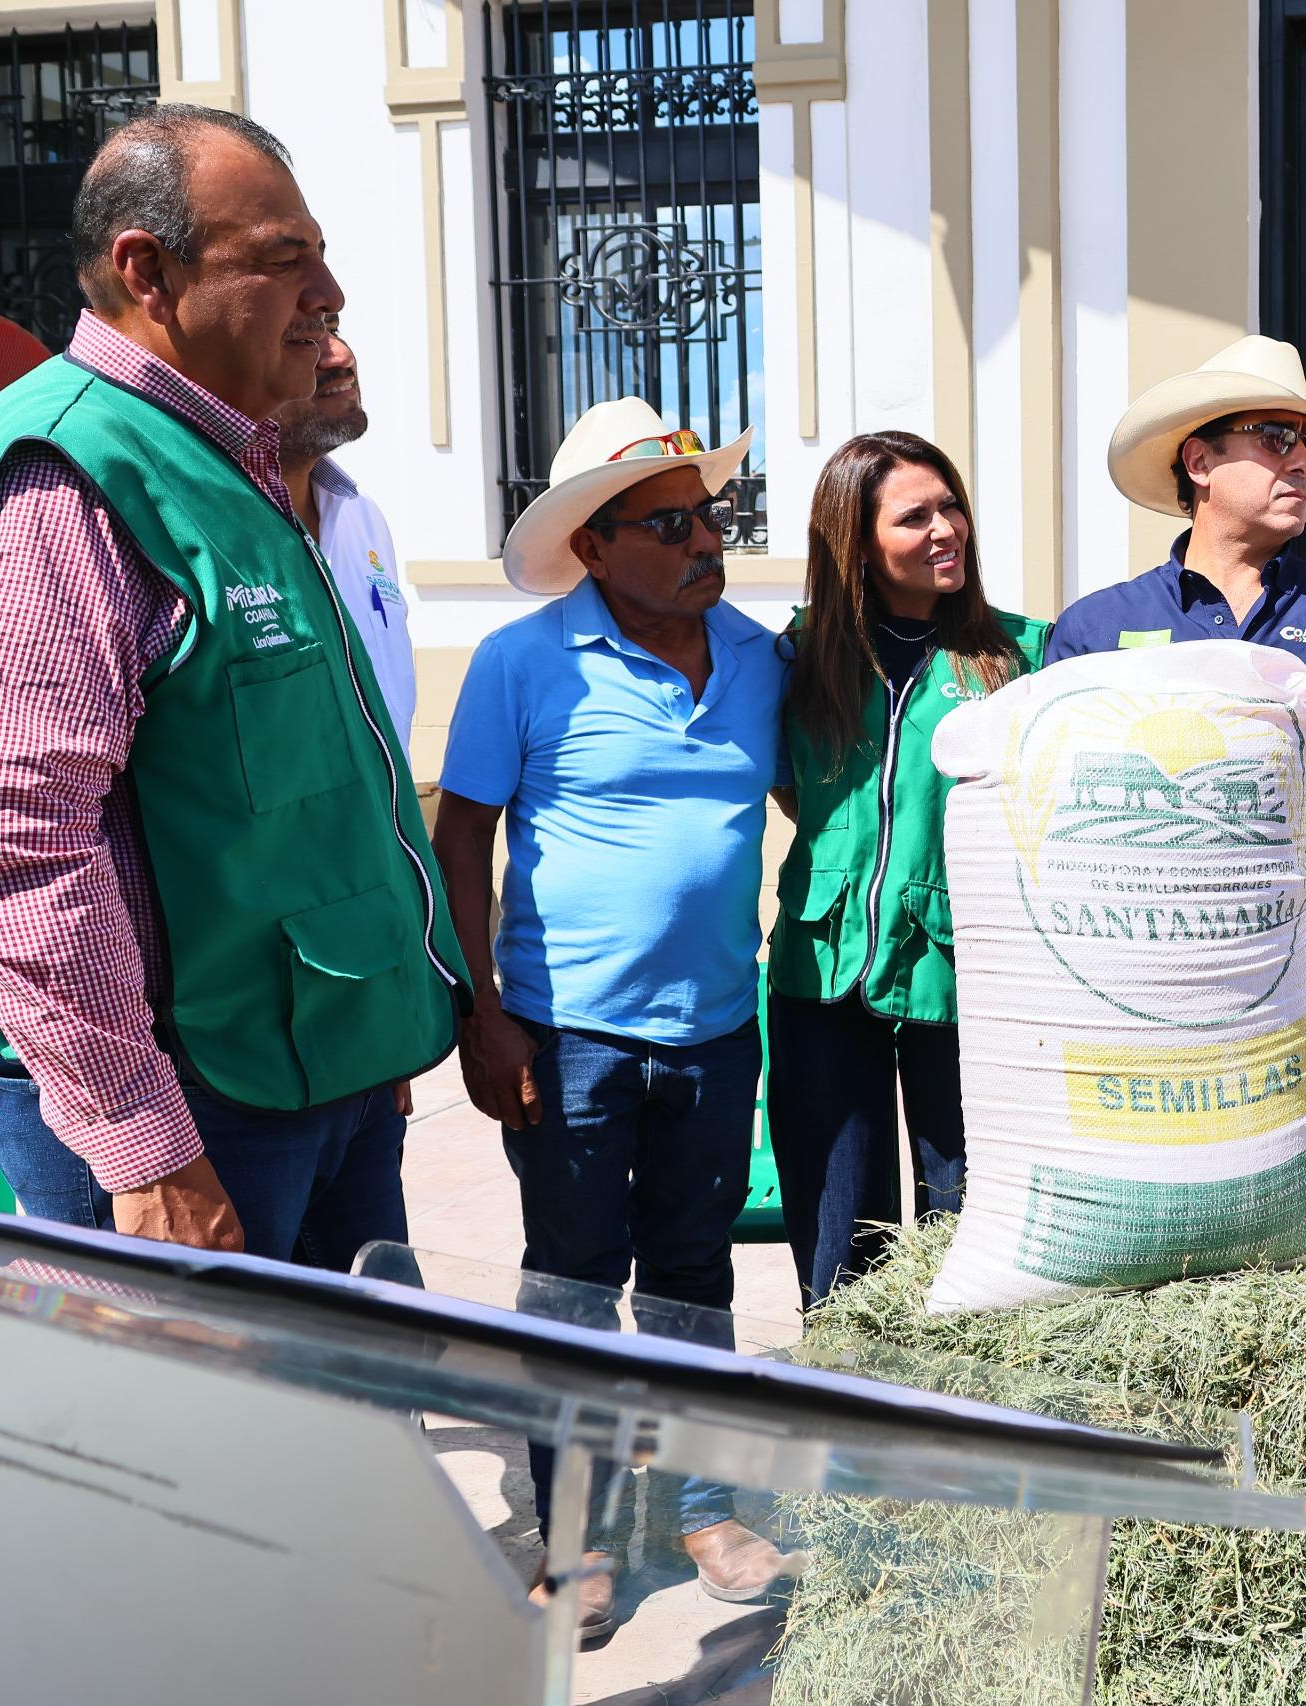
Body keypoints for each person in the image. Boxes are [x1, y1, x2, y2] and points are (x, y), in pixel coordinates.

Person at [0, 105, 464, 1260]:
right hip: (191, 1120)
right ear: (149, 271)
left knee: (345, 1439)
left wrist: (370, 1020)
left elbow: (324, 791)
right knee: (197, 1443)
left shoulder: (239, 458)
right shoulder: (66, 472)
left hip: (311, 1080)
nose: (327, 293)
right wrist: (145, 1150)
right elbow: (21, 840)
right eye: (285, 260)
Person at [432, 398, 789, 1636]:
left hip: (715, 1025)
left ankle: (699, 1502)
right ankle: (574, 1529)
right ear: (592, 546)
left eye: (712, 513)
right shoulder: (522, 663)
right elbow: (462, 833)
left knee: (692, 1275)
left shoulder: (758, 655)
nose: (707, 540)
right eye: (670, 522)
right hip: (567, 1032)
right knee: (574, 1282)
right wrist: (482, 1012)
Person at [1046, 335, 1306, 1167]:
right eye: (1276, 438)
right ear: (1200, 461)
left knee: (1302, 1197)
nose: (1302, 463)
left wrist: (1260, 825)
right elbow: (1064, 784)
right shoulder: (1095, 629)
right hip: (1144, 964)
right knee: (1151, 1188)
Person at [768, 431, 1046, 1305]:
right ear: (855, 538)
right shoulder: (800, 655)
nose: (945, 529)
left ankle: (965, 1419)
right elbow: (788, 787)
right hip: (821, 971)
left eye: (951, 506)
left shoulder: (1022, 655)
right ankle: (848, 1416)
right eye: (915, 515)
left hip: (968, 977)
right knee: (838, 1236)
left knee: (970, 1222)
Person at [274, 313, 419, 748]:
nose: (340, 357)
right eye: (302, 338)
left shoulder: (363, 517)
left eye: (333, 329)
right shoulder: (211, 531)